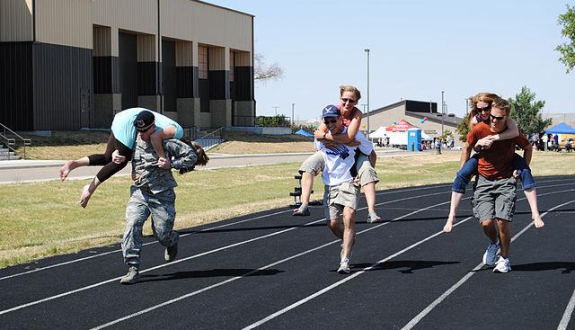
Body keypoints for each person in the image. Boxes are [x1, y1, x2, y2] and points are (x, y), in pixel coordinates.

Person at [453, 98, 542, 273]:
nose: (493, 120)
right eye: (491, 116)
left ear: (506, 118)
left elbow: (528, 147)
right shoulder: (478, 126)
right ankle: (494, 243)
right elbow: (467, 147)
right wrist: (464, 169)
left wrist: (522, 166)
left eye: (498, 118)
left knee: (502, 222)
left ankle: (505, 259)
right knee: (486, 223)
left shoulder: (513, 131)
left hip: (505, 180)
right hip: (484, 180)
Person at [443, 92, 544, 232]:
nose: (484, 112)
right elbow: (469, 147)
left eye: (486, 109)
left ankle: (535, 213)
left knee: (526, 171)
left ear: (494, 107)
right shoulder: (476, 123)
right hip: (484, 157)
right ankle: (452, 215)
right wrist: (464, 169)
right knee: (461, 175)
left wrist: (495, 138)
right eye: (480, 110)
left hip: (508, 156)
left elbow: (516, 135)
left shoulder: (506, 121)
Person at [120, 134, 209, 285]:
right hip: (140, 193)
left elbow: (191, 156)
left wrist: (172, 164)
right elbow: (112, 157)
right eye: (138, 129)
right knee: (132, 225)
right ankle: (133, 268)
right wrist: (115, 155)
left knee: (162, 234)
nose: (141, 133)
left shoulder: (165, 142)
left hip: (162, 194)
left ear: (151, 127)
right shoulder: (131, 142)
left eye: (144, 129)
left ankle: (171, 240)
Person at [59, 108, 183, 208]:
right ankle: (90, 189)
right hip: (128, 121)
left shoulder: (167, 132)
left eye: (144, 132)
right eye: (141, 132)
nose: (142, 135)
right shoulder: (175, 132)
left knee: (108, 157)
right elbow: (154, 137)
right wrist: (163, 158)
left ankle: (75, 163)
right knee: (120, 161)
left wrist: (119, 150)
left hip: (122, 117)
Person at [293, 85, 381, 223]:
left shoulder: (356, 117)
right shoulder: (332, 112)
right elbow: (318, 135)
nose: (347, 103)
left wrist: (333, 139)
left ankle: (371, 212)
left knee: (367, 171)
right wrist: (325, 141)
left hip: (355, 152)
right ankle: (304, 204)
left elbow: (349, 138)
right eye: (344, 99)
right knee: (308, 166)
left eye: (351, 101)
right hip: (333, 151)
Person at [315, 105, 372, 274]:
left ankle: (345, 260)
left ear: (341, 119)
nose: (331, 123)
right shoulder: (321, 137)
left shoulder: (354, 134)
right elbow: (319, 154)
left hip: (349, 182)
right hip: (330, 184)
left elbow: (370, 152)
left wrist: (364, 173)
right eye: (327, 120)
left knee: (349, 218)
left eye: (334, 119)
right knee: (333, 224)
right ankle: (348, 239)